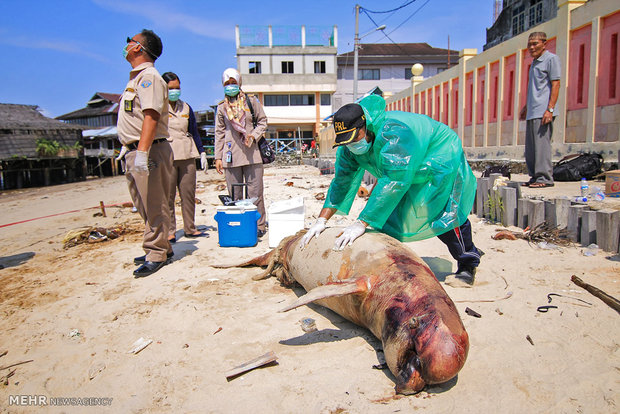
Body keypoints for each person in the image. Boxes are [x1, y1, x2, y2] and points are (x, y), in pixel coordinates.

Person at [300, 95, 483, 285]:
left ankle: (467, 262)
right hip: (404, 170)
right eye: (346, 141)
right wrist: (321, 220)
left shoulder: (395, 134)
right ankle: (388, 263)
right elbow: (341, 183)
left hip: (438, 155)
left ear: (364, 127)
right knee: (386, 218)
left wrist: (361, 222)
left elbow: (394, 181)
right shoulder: (349, 148)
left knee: (439, 211)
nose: (351, 144)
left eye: (354, 138)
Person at [117, 29, 174, 278]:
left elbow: (150, 115)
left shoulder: (149, 77)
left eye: (130, 42)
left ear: (139, 47)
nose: (127, 46)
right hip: (135, 149)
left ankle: (156, 251)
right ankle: (162, 246)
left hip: (148, 150)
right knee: (143, 203)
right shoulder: (136, 79)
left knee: (153, 202)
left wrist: (141, 151)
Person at [214, 68, 268, 237]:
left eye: (233, 83)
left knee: (256, 193)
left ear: (239, 83)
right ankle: (239, 225)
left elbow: (263, 122)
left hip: (252, 155)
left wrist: (253, 135)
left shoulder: (251, 102)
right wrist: (217, 157)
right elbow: (219, 132)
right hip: (230, 156)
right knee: (235, 194)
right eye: (227, 84)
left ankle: (259, 225)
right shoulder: (222, 108)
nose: (230, 87)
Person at [161, 71, 209, 242]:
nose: (175, 91)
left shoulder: (186, 107)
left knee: (188, 193)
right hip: (167, 155)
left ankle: (190, 227)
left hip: (187, 153)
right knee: (167, 196)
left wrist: (202, 152)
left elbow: (194, 132)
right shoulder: (158, 107)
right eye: (171, 88)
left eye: (178, 88)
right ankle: (169, 230)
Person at [519, 31, 561, 188]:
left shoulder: (551, 59)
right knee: (531, 148)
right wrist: (526, 107)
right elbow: (535, 88)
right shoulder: (535, 63)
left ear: (545, 43)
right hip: (533, 111)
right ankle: (535, 176)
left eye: (535, 43)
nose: (531, 47)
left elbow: (556, 84)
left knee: (542, 147)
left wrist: (550, 109)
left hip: (543, 111)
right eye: (529, 44)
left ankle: (544, 178)